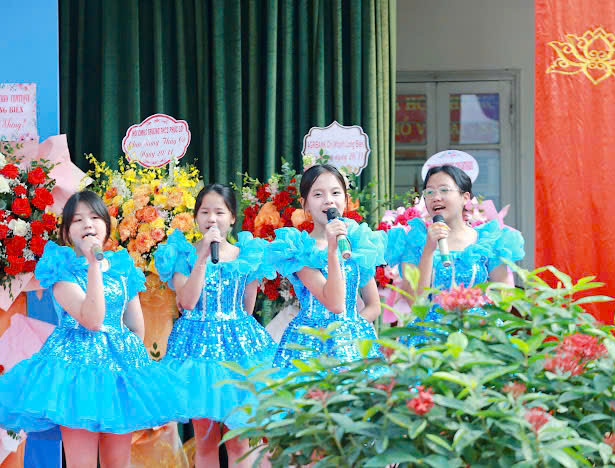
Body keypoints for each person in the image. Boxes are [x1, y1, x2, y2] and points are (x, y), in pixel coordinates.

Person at [0, 190, 185, 468]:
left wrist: (129, 366)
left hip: (118, 373)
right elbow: (92, 320)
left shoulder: (122, 268)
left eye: (95, 217)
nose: (87, 224)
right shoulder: (61, 271)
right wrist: (93, 264)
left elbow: (136, 328)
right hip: (76, 374)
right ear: (66, 232)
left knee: (117, 463)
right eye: (78, 219)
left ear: (106, 226)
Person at [154, 184, 276, 468]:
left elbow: (248, 307)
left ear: (232, 217)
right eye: (205, 212)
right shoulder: (182, 255)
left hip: (239, 350)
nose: (212, 218)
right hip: (196, 353)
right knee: (205, 440)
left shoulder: (247, 254)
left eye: (219, 212)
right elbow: (186, 301)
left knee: (239, 441)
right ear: (196, 217)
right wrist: (202, 258)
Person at [386, 165, 525, 346]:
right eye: (429, 192)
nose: (436, 197)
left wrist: (475, 316)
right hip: (429, 340)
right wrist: (429, 249)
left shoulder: (490, 240)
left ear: (465, 197)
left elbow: (505, 302)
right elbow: (415, 302)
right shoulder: (413, 241)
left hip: (478, 336)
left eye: (444, 190)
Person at [270, 164, 385, 375]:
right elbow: (334, 303)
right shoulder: (300, 249)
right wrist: (332, 250)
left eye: (335, 193)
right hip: (311, 345)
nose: (328, 200)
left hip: (352, 343)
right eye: (318, 194)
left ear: (346, 199)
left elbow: (374, 305)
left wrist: (352, 330)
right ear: (305, 204)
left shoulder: (358, 241)